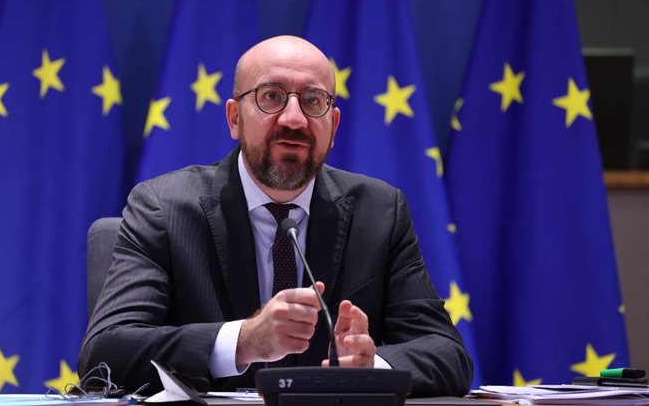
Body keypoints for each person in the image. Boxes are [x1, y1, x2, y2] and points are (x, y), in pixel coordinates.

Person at [78, 35, 473, 396]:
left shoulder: (380, 211)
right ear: (235, 118)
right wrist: (245, 340)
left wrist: (373, 367)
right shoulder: (163, 206)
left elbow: (449, 355)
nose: (294, 119)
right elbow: (105, 352)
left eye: (313, 101)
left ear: (332, 127)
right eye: (271, 97)